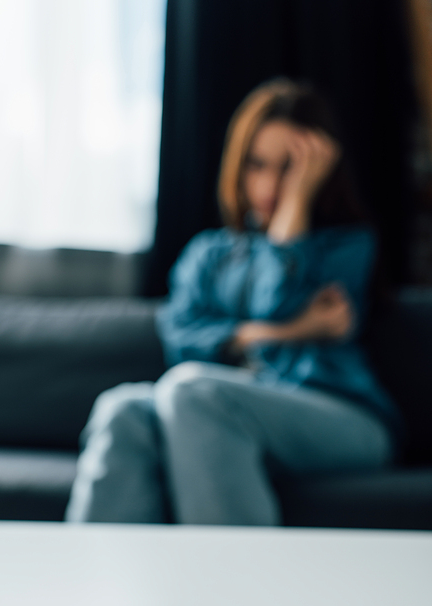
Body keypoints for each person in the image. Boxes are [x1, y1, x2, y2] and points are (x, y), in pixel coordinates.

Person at [65, 78, 400, 526]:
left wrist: (293, 213)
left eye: (291, 169)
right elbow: (182, 340)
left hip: (342, 416)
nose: (270, 185)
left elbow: (272, 302)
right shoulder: (209, 254)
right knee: (122, 408)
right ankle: (99, 587)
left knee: (193, 391)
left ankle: (235, 593)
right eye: (257, 165)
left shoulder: (347, 246)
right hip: (223, 414)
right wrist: (293, 332)